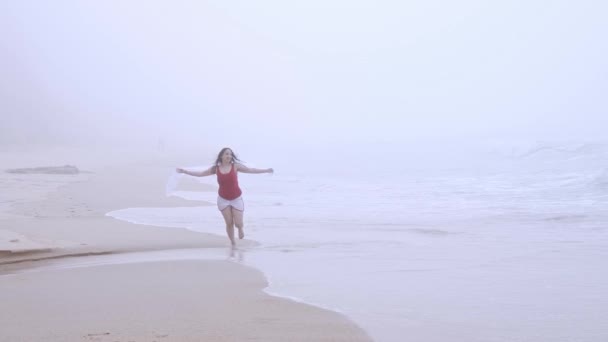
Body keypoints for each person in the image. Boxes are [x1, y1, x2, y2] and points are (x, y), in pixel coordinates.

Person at [176, 147, 273, 246]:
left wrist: (266, 170)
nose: (229, 156)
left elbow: (251, 170)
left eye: (230, 154)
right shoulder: (216, 168)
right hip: (223, 199)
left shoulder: (235, 166)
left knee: (238, 223)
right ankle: (233, 242)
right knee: (229, 223)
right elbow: (201, 173)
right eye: (227, 154)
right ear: (221, 156)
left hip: (236, 199)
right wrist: (185, 171)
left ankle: (240, 228)